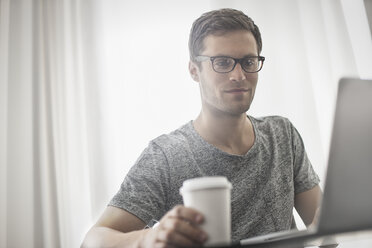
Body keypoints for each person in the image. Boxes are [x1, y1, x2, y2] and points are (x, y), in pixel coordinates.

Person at [82, 8, 321, 248]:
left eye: (248, 62)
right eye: (223, 62)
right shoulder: (165, 156)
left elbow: (325, 232)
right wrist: (148, 237)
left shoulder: (282, 134)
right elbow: (92, 241)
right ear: (194, 70)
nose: (239, 75)